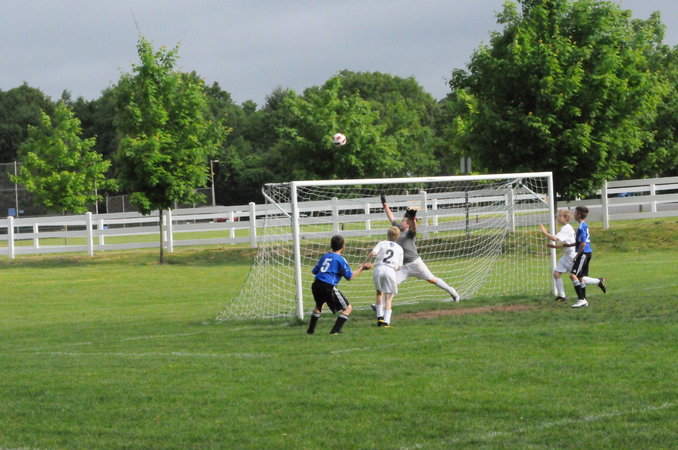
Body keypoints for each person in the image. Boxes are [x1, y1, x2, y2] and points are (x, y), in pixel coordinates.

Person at [380, 193, 460, 301]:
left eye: (404, 221)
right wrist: (384, 204)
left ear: (408, 224)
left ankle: (452, 291)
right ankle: (382, 305)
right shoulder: (397, 228)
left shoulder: (410, 233)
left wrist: (413, 219)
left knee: (431, 279)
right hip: (403, 266)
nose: (401, 222)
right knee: (393, 283)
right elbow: (390, 215)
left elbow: (414, 227)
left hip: (415, 263)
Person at [307, 235, 370, 335]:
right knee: (348, 308)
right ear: (343, 246)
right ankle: (335, 331)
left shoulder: (325, 256)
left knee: (318, 305)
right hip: (328, 286)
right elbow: (350, 276)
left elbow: (314, 271)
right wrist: (362, 268)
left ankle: (310, 331)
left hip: (316, 284)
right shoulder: (340, 259)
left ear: (331, 245)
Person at [364, 226, 404, 328]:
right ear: (398, 237)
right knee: (389, 297)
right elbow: (399, 267)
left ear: (387, 234)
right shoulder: (400, 249)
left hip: (378, 269)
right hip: (390, 270)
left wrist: (366, 262)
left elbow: (373, 253)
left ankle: (379, 318)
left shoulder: (382, 243)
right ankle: (386, 322)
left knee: (379, 293)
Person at [567, 206, 607, 308]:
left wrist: (576, 255)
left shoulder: (581, 227)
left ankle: (581, 299)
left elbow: (583, 243)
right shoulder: (584, 225)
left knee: (572, 275)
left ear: (578, 215)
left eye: (575, 213)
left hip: (583, 254)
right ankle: (584, 300)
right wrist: (567, 245)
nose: (574, 215)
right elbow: (580, 242)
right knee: (580, 277)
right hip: (587, 253)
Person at [538, 209, 576, 302]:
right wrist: (555, 247)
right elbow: (567, 244)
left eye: (560, 216)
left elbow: (555, 238)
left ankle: (598, 281)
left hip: (571, 256)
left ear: (566, 217)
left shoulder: (566, 228)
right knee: (556, 274)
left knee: (577, 277)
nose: (558, 218)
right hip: (567, 255)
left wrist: (544, 232)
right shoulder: (565, 228)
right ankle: (562, 296)